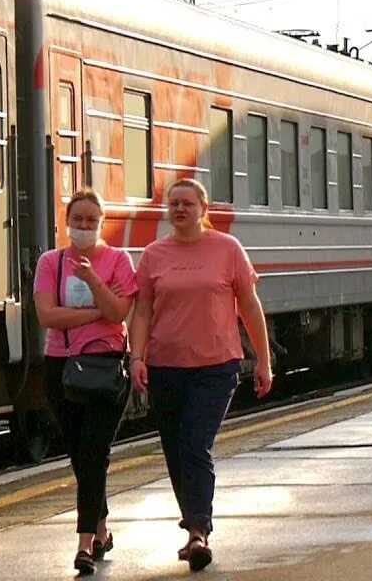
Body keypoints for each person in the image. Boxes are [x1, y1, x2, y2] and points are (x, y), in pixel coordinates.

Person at [128, 178, 273, 572]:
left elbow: (248, 305)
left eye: (187, 203)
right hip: (165, 366)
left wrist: (263, 359)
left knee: (194, 444)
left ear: (203, 209)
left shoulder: (227, 249)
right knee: (176, 452)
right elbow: (142, 311)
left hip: (216, 365)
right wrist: (136, 357)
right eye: (173, 203)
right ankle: (193, 522)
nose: (179, 209)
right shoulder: (154, 255)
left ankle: (199, 531)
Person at [33, 189, 137, 575]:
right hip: (59, 367)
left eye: (92, 221)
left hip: (105, 366)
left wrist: (94, 282)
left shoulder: (117, 260)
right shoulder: (51, 262)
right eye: (78, 220)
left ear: (101, 223)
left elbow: (120, 312)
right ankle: (102, 527)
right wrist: (98, 312)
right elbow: (48, 316)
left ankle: (84, 544)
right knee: (80, 455)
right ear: (67, 221)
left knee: (94, 453)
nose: (84, 227)